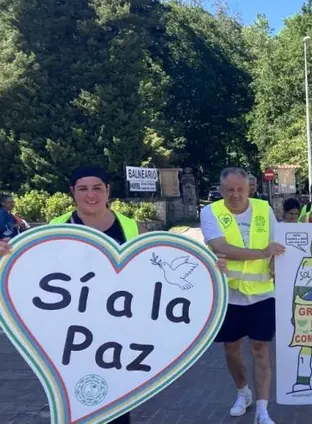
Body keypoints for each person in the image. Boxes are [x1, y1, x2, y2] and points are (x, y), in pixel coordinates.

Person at [0, 166, 188, 424]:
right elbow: (33, 273)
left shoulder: (131, 227)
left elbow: (160, 267)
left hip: (118, 333)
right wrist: (7, 256)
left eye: (97, 187)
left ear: (108, 191)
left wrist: (207, 267)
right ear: (72, 193)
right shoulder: (57, 227)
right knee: (75, 401)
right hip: (71, 335)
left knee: (117, 403)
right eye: (83, 189)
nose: (91, 195)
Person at [200, 167, 286, 424]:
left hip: (262, 295)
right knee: (232, 350)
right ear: (221, 190)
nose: (235, 195)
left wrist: (277, 266)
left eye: (240, 189)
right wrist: (263, 253)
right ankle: (242, 393)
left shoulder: (263, 209)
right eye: (229, 190)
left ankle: (262, 409)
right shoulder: (210, 211)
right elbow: (222, 247)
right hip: (229, 295)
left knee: (261, 350)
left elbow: (277, 247)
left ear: (250, 187)